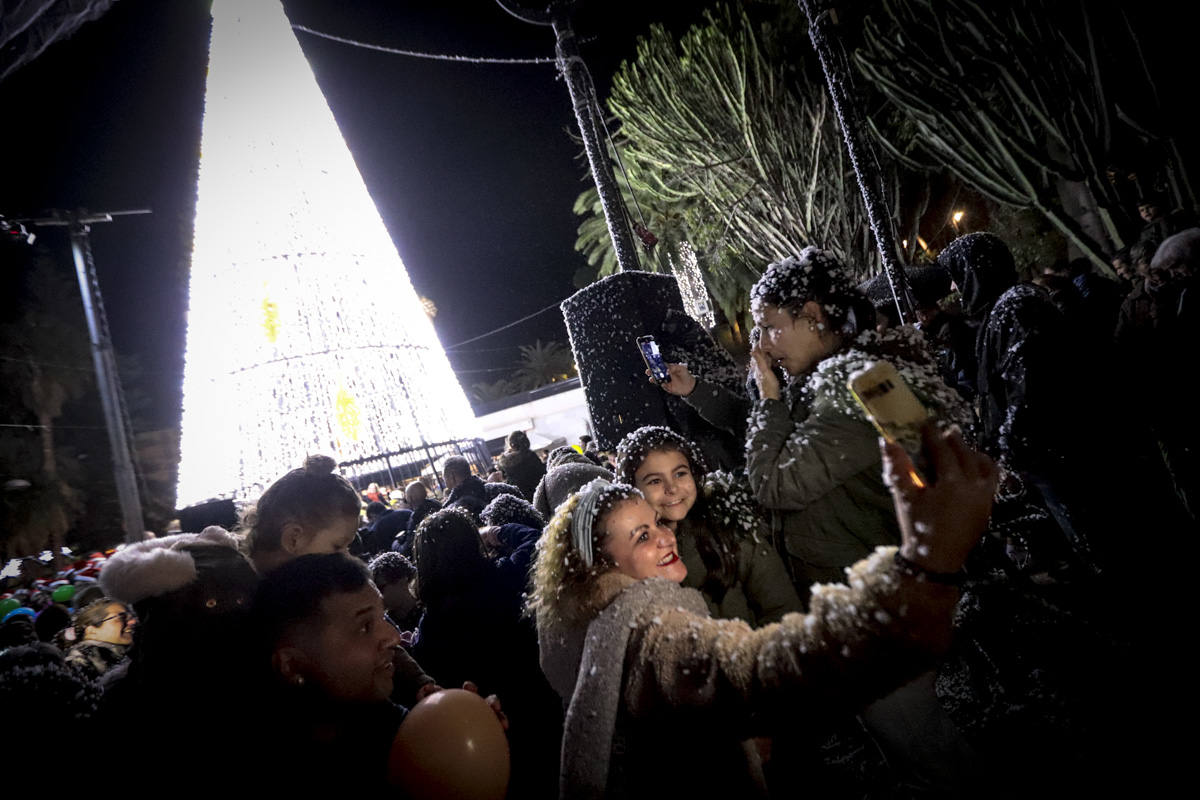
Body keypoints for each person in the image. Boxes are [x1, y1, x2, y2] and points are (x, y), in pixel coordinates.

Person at [532, 426, 997, 799]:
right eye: (641, 535)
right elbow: (760, 666)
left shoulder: (601, 613)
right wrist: (925, 566)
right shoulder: (656, 632)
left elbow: (775, 618)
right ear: (598, 561)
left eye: (656, 525)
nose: (664, 533)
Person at [657, 247, 973, 592]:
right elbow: (765, 428)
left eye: (770, 327)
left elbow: (774, 484)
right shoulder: (821, 378)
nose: (760, 345)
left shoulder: (862, 389)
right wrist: (694, 390)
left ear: (812, 316)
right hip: (848, 582)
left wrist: (768, 396)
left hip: (871, 589)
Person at [245, 456, 437, 705]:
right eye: (338, 546)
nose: (346, 556)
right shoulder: (237, 602)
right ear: (293, 538)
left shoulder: (320, 581)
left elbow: (379, 636)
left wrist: (419, 684)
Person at [410, 508, 562, 798]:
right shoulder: (507, 576)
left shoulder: (430, 627)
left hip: (487, 737)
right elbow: (537, 539)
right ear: (471, 544)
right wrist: (495, 532)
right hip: (541, 704)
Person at [614, 425, 800, 626]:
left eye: (680, 474)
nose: (672, 488)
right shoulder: (627, 552)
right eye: (655, 481)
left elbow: (784, 612)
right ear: (631, 488)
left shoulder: (731, 529)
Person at [64, 598, 136, 682]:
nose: (133, 621)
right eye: (121, 617)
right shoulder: (79, 663)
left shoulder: (130, 652)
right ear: (91, 631)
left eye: (132, 616)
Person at [499, 430, 547, 500]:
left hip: (519, 496)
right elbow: (542, 473)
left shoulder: (505, 463)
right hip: (538, 492)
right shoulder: (530, 456)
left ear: (511, 444)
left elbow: (507, 480)